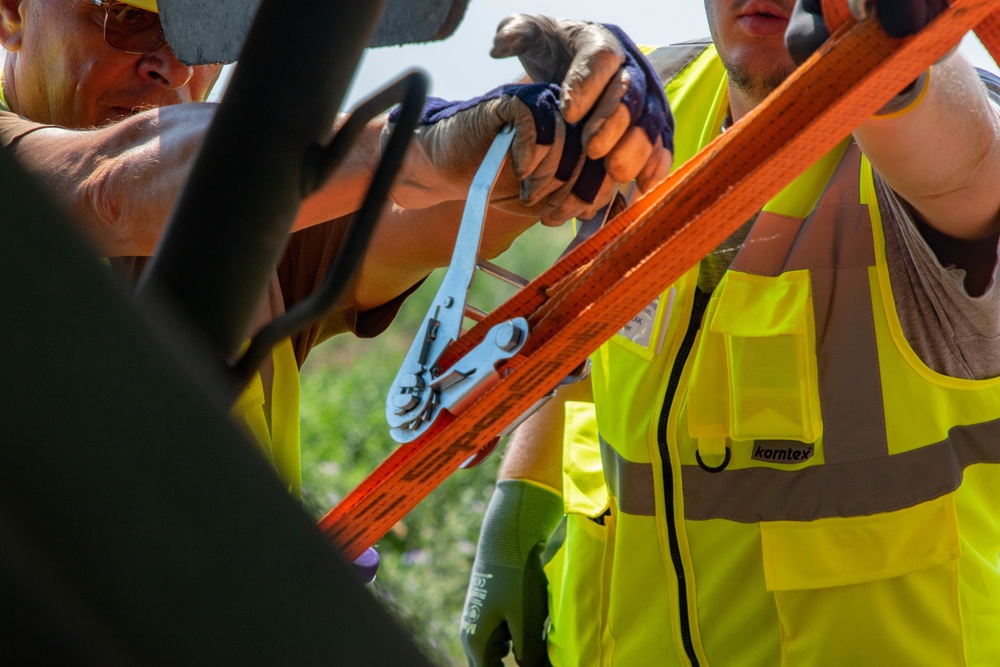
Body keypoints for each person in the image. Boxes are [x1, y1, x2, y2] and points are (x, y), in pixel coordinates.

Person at [461, 2, 1000, 665]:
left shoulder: (942, 137)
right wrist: (518, 508)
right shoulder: (657, 103)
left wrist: (902, 64)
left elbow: (963, 163)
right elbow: (594, 333)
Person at [0, 0, 672, 497]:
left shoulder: (261, 212)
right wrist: (414, 145)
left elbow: (444, 210)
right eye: (126, 19)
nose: (172, 65)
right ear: (13, 12)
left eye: (195, 30)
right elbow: (115, 183)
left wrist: (565, 123)